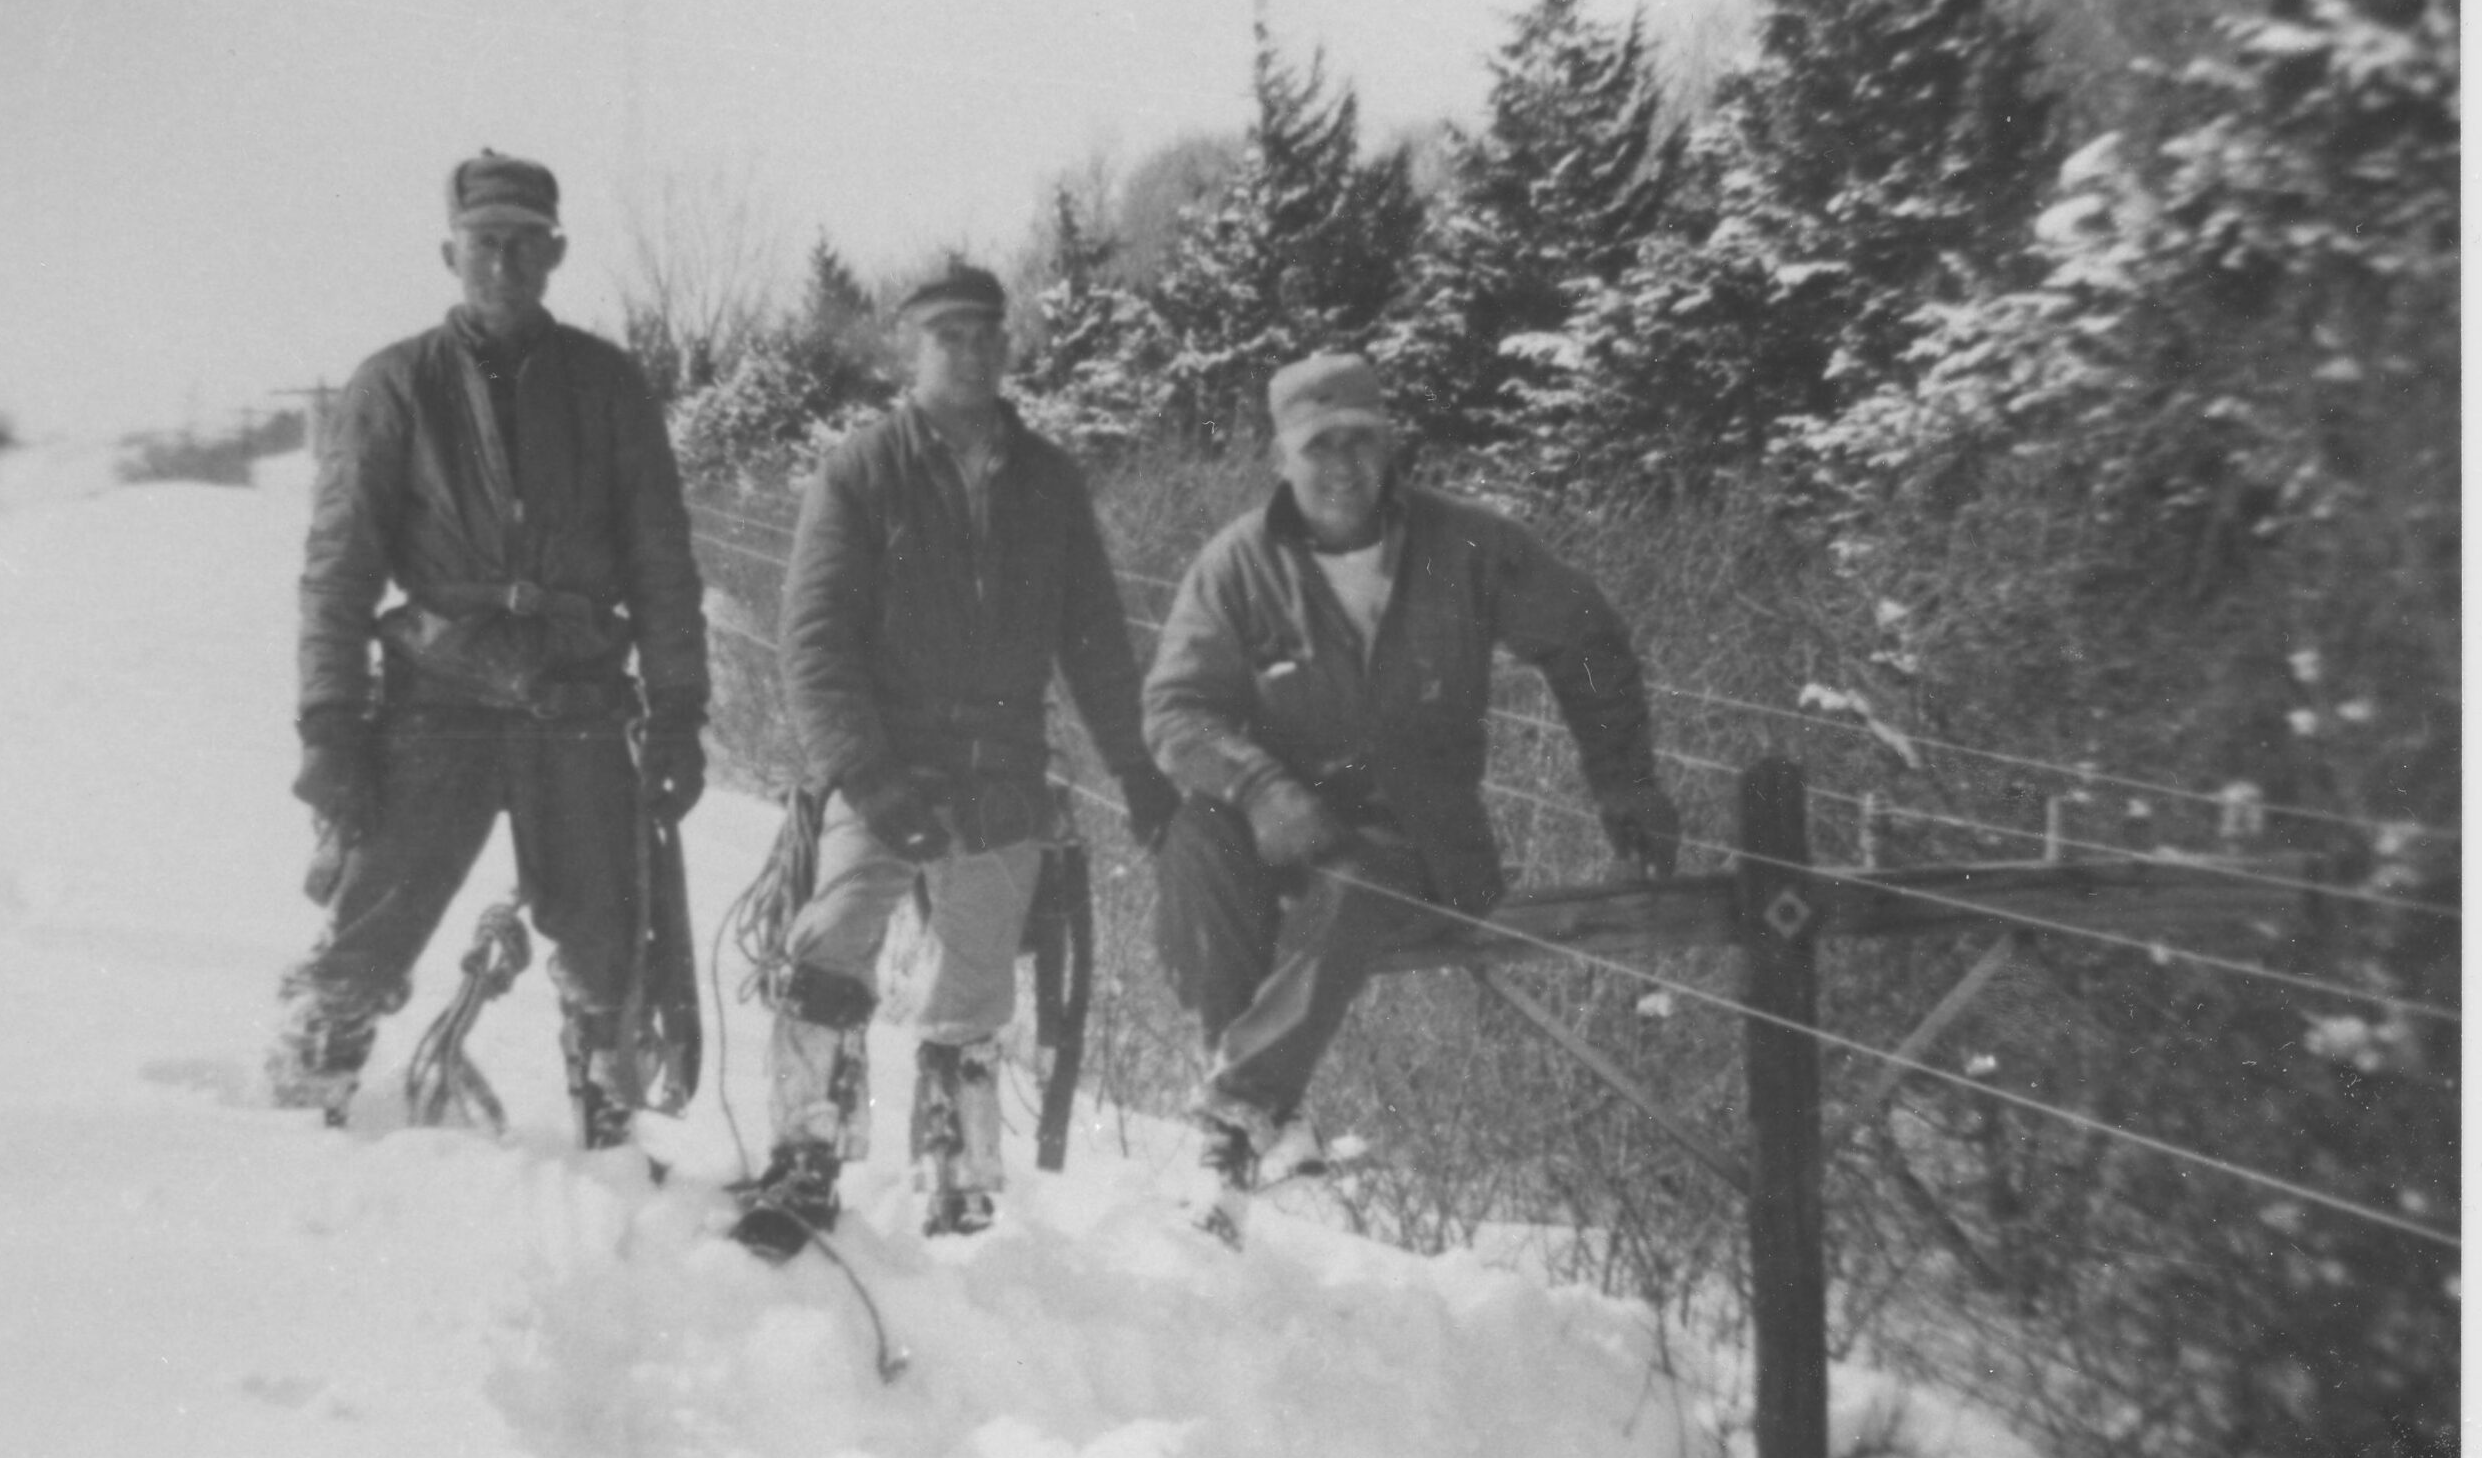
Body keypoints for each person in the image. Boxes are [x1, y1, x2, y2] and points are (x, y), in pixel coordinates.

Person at [1143, 352, 1680, 1246]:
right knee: (1192, 834)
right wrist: (1260, 788)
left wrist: (1622, 778)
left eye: (1362, 440)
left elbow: (1585, 640)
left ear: (1390, 446)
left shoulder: (1466, 543)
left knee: (1360, 883)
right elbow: (1175, 709)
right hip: (1283, 833)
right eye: (1320, 445)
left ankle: (1233, 1127)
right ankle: (1257, 1092)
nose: (1344, 464)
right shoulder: (1237, 564)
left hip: (1415, 835)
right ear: (1282, 457)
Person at [735, 260, 1181, 1256]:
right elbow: (813, 646)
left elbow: (1096, 644)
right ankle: (804, 1158)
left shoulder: (1048, 481)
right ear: (913, 348)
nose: (969, 354)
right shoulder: (859, 471)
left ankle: (960, 1181)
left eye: (985, 336)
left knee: (976, 981)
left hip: (1000, 772)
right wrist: (868, 777)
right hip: (882, 763)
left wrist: (1142, 777)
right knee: (831, 938)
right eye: (948, 337)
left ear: (1004, 347)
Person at [267, 150, 710, 1139]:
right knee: (369, 932)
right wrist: (330, 727)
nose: (503, 264)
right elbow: (337, 573)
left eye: (523, 243)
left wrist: (681, 711)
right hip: (438, 700)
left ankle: (607, 1133)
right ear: (448, 252)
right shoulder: (393, 388)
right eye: (483, 244)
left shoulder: (608, 386)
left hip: (579, 700)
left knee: (607, 946)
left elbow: (662, 564)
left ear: (555, 251)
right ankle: (303, 1121)